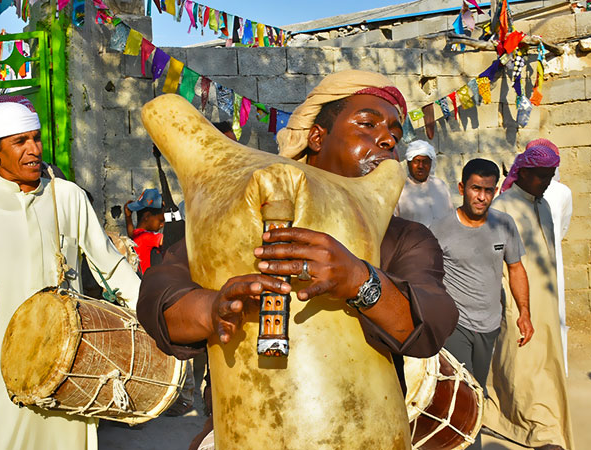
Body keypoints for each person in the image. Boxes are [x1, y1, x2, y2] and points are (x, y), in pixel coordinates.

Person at [137, 70, 459, 449]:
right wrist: (211, 310)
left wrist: (361, 281)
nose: (387, 139)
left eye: (394, 133)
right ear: (317, 137)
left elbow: (432, 323)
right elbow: (158, 297)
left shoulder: (404, 236)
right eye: (367, 124)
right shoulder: (238, 216)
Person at [0, 96, 141, 450]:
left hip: (64, 369)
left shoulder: (68, 197)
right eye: (20, 141)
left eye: (36, 138)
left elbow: (110, 266)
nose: (34, 149)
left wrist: (153, 313)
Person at [429, 159, 533, 450]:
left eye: (488, 190)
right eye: (476, 188)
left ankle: (465, 437)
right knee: (464, 390)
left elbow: (515, 268)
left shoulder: (504, 224)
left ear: (496, 190)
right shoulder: (440, 229)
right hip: (455, 325)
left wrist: (524, 312)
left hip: (490, 324)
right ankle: (468, 444)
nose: (481, 197)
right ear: (462, 188)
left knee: (478, 387)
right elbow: (426, 277)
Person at [484, 139, 574, 450]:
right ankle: (539, 429)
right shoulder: (502, 207)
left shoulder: (546, 205)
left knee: (545, 362)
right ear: (522, 172)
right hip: (515, 299)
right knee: (521, 363)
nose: (546, 182)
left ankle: (527, 420)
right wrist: (514, 307)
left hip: (546, 302)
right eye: (541, 176)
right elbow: (495, 263)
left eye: (550, 176)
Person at [543, 162, 572, 376]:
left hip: (548, 259)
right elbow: (563, 228)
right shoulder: (564, 191)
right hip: (550, 259)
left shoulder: (562, 192)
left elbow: (563, 225)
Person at [394, 140, 454, 227]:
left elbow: (450, 216)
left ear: (430, 164)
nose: (420, 166)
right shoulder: (399, 189)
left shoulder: (440, 185)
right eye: (416, 161)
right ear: (408, 163)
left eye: (425, 162)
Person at [124, 188, 164, 275]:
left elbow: (130, 233)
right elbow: (171, 240)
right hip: (151, 282)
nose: (162, 225)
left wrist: (128, 217)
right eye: (161, 221)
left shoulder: (137, 234)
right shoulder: (148, 237)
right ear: (147, 216)